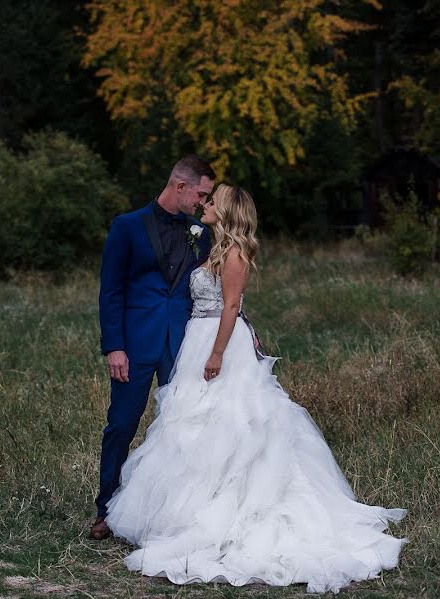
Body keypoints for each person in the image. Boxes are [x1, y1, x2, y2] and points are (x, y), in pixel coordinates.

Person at [103, 184, 408, 594]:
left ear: (227, 212)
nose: (205, 206)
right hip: (201, 339)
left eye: (212, 202)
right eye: (204, 199)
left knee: (235, 426)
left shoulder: (234, 254)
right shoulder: (211, 246)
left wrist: (218, 353)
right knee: (195, 429)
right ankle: (186, 511)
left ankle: (233, 515)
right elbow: (233, 304)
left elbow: (230, 305)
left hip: (217, 346)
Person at [90, 156, 216, 541]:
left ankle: (172, 516)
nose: (202, 202)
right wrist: (114, 347)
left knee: (181, 429)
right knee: (122, 426)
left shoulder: (200, 230)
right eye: (200, 194)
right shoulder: (127, 226)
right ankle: (106, 509)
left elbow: (212, 289)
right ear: (180, 186)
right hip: (135, 344)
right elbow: (111, 291)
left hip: (183, 344)